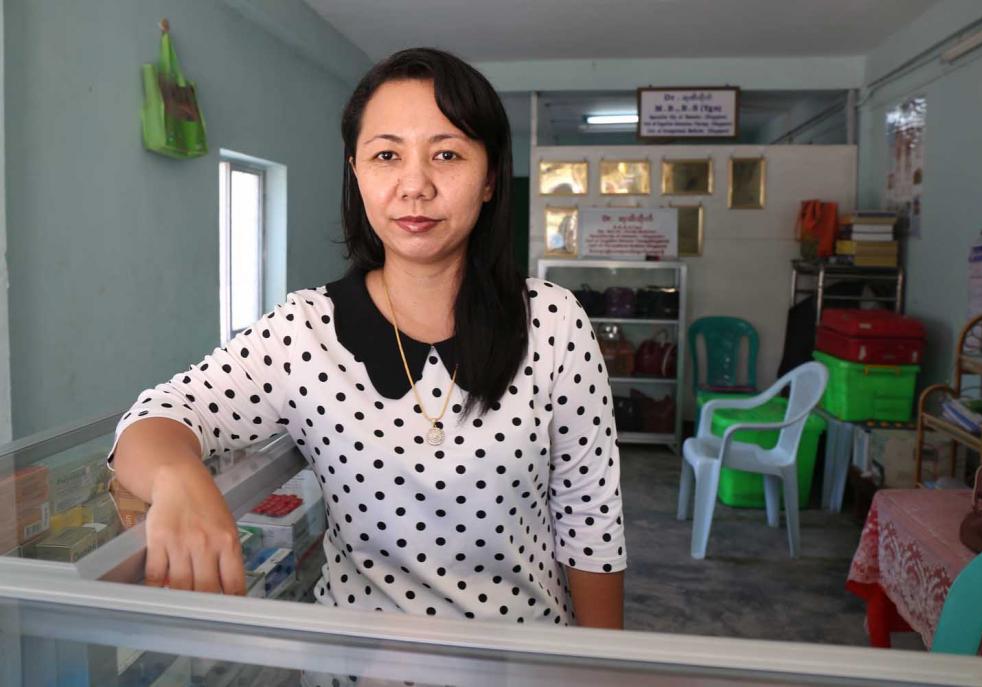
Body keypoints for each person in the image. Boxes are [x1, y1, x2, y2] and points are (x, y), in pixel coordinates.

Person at [108, 48, 626, 636]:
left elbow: (591, 519)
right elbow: (156, 418)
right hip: (359, 666)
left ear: (488, 179)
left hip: (525, 658)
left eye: (447, 155)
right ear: (356, 171)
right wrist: (180, 480)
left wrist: (601, 663)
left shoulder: (554, 322)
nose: (415, 186)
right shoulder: (305, 330)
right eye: (386, 156)